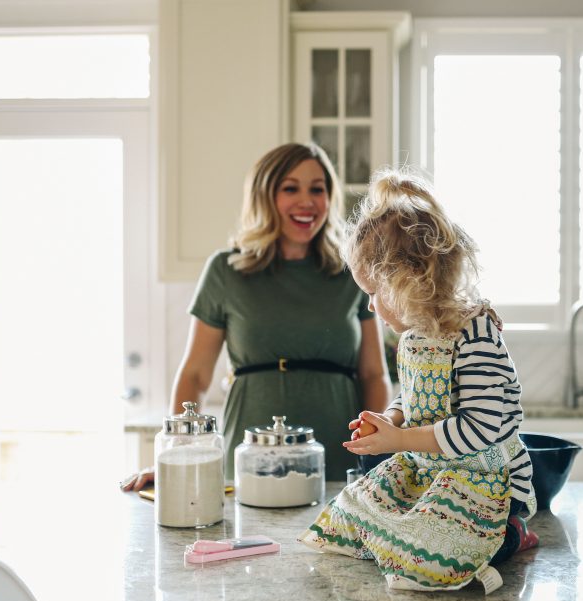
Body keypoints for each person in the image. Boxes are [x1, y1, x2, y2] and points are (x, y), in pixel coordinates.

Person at [298, 167, 538, 594]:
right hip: (433, 471)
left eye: (374, 292)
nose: (370, 306)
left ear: (407, 282)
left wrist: (401, 441)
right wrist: (390, 418)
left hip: (488, 481)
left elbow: (480, 429)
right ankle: (414, 542)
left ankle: (511, 535)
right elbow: (413, 400)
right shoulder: (414, 338)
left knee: (429, 552)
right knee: (353, 513)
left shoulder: (475, 332)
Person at [122, 142, 390, 490]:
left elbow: (373, 375)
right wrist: (176, 455)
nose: (307, 201)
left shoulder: (352, 273)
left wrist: (375, 459)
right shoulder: (225, 270)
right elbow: (195, 375)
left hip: (338, 460)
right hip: (248, 458)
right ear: (264, 196)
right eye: (290, 188)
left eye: (317, 189)